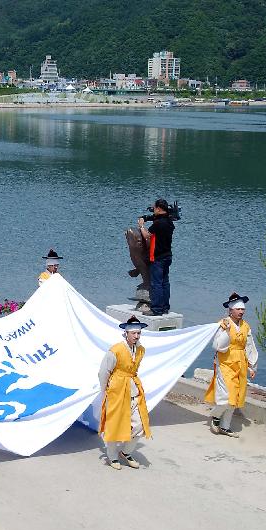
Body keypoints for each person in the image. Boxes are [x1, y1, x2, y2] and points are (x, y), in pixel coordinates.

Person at [98, 316, 152, 471]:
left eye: (139, 333)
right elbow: (103, 372)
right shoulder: (115, 350)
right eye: (134, 333)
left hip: (133, 390)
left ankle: (125, 451)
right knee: (114, 425)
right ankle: (112, 456)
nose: (136, 336)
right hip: (117, 390)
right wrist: (105, 391)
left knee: (139, 426)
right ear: (126, 333)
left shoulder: (141, 350)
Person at [205, 292, 258, 438]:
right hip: (225, 362)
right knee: (226, 396)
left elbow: (249, 346)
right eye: (238, 309)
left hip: (240, 363)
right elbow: (218, 346)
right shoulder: (223, 324)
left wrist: (252, 366)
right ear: (231, 310)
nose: (241, 312)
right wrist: (227, 332)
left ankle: (225, 426)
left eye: (243, 310)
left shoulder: (246, 326)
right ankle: (216, 416)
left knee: (236, 396)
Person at [138, 198, 175, 316]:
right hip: (167, 256)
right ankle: (165, 307)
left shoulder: (158, 224)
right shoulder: (169, 221)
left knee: (156, 284)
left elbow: (147, 236)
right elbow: (157, 218)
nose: (153, 210)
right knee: (165, 282)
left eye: (154, 208)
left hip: (158, 257)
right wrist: (149, 217)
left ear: (159, 209)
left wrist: (141, 226)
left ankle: (156, 309)